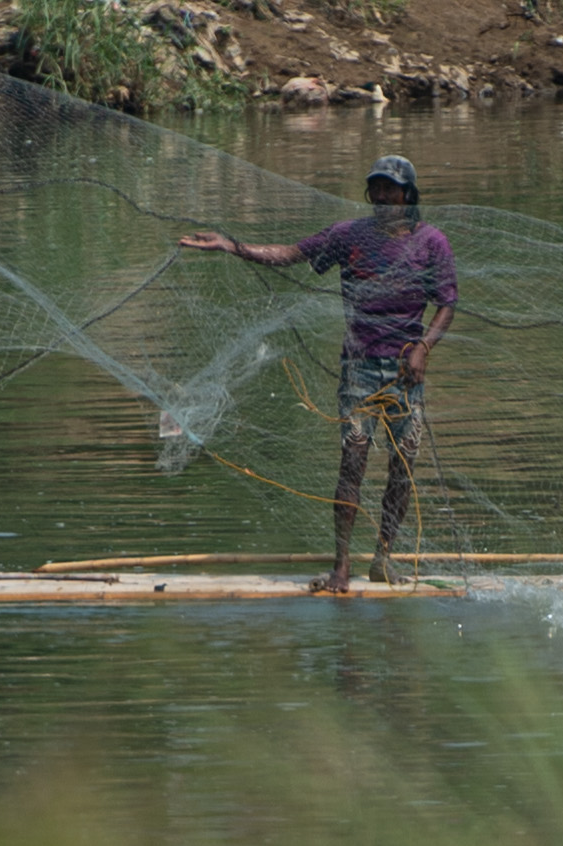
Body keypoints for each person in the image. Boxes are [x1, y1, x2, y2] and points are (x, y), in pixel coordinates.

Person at [178, 155, 459, 592]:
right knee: (352, 464)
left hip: (406, 372)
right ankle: (341, 566)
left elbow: (446, 304)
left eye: (391, 189)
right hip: (359, 370)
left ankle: (384, 558)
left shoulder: (431, 242)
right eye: (377, 188)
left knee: (402, 469)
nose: (383, 197)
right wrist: (232, 245)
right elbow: (291, 253)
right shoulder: (349, 235)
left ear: (408, 195)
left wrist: (424, 348)